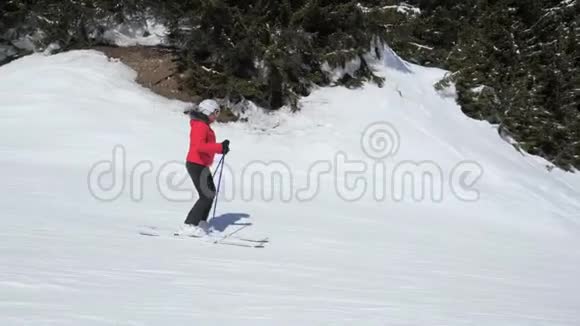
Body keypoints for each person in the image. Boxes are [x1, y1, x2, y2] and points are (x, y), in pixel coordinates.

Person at [175, 99, 230, 237]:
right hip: (195, 163)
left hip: (200, 164)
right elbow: (199, 146)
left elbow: (205, 145)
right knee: (206, 195)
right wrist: (219, 147)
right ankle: (189, 225)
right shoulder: (200, 126)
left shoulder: (203, 125)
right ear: (207, 111)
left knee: (210, 193)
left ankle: (201, 223)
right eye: (215, 113)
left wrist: (222, 148)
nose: (216, 116)